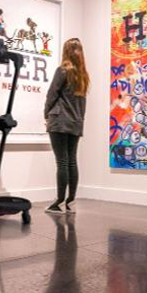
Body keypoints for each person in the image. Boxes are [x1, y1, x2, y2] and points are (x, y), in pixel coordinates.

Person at [44, 38, 89, 214]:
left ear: (66, 52)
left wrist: (46, 113)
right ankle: (71, 201)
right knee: (71, 161)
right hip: (76, 122)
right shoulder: (83, 75)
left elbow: (52, 94)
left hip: (59, 120)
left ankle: (59, 202)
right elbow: (82, 103)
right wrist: (80, 121)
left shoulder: (63, 70)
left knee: (62, 162)